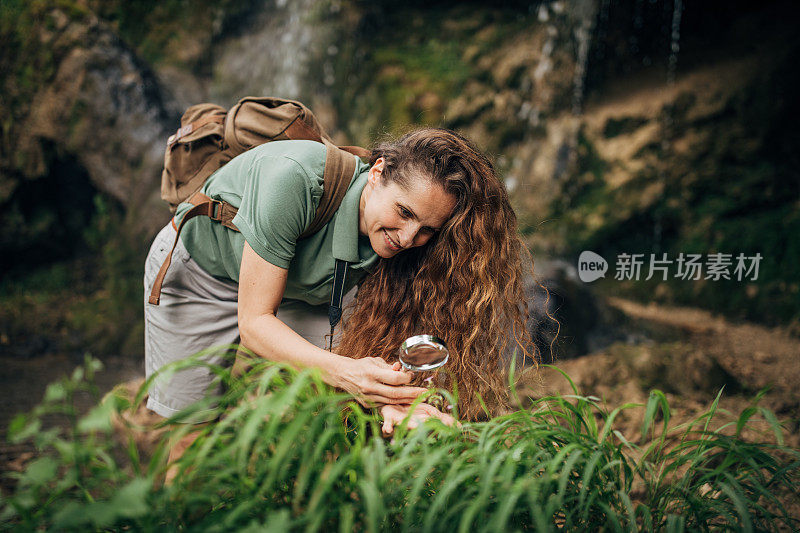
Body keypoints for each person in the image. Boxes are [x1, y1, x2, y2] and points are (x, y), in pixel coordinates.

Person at [143, 128, 535, 445]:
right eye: (404, 213)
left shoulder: (403, 239)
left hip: (301, 290)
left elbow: (365, 364)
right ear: (378, 172)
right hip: (200, 275)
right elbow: (255, 323)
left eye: (427, 229)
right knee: (191, 431)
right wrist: (348, 374)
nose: (408, 237)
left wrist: (390, 399)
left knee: (329, 408)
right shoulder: (294, 180)